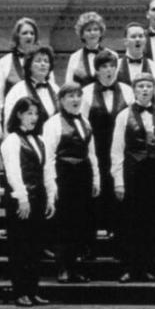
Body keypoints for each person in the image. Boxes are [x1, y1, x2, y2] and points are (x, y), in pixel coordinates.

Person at [110, 73, 155, 283]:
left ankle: (148, 268)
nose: (145, 90)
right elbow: (117, 150)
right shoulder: (124, 115)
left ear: (154, 90)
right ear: (134, 90)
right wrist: (118, 181)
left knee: (152, 223)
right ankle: (129, 268)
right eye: (141, 86)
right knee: (130, 224)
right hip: (133, 175)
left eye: (148, 86)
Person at [44, 83, 100, 284]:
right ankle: (63, 268)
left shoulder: (85, 121)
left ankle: (75, 268)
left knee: (80, 225)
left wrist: (96, 178)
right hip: (63, 178)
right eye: (70, 96)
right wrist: (52, 185)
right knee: (63, 225)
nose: (75, 100)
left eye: (78, 95)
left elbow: (91, 153)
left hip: (82, 178)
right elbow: (48, 157)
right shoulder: (52, 124)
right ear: (61, 100)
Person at [1, 97, 54, 307]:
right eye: (29, 113)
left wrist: (50, 196)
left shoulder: (40, 140)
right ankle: (20, 292)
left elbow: (48, 170)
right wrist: (22, 198)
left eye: (36, 113)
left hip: (38, 198)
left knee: (35, 247)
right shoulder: (12, 140)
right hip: (20, 200)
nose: (34, 117)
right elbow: (13, 172)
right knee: (20, 247)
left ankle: (33, 291)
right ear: (19, 115)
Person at [83, 50, 135, 253]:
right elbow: (84, 127)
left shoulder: (127, 91)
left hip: (121, 154)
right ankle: (91, 249)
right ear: (96, 70)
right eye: (104, 66)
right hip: (96, 152)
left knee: (120, 200)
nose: (109, 70)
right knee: (94, 199)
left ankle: (119, 248)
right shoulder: (86, 93)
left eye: (112, 66)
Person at [0, 17, 44, 140]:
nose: (29, 36)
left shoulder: (43, 62)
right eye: (24, 33)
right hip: (12, 123)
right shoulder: (5, 62)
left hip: (38, 123)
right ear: (17, 36)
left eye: (32, 33)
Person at [2, 45, 59, 134]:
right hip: (26, 142)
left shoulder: (56, 89)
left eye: (46, 61)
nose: (43, 64)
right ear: (29, 65)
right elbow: (9, 123)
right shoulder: (17, 90)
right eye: (38, 60)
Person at [115, 21, 155, 110]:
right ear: (125, 41)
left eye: (141, 36)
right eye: (133, 36)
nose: (138, 39)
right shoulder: (116, 66)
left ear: (145, 40)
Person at [65, 11, 112, 87]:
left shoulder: (111, 54)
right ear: (82, 34)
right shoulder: (74, 57)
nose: (92, 33)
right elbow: (68, 84)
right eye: (88, 30)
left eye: (96, 29)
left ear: (101, 33)